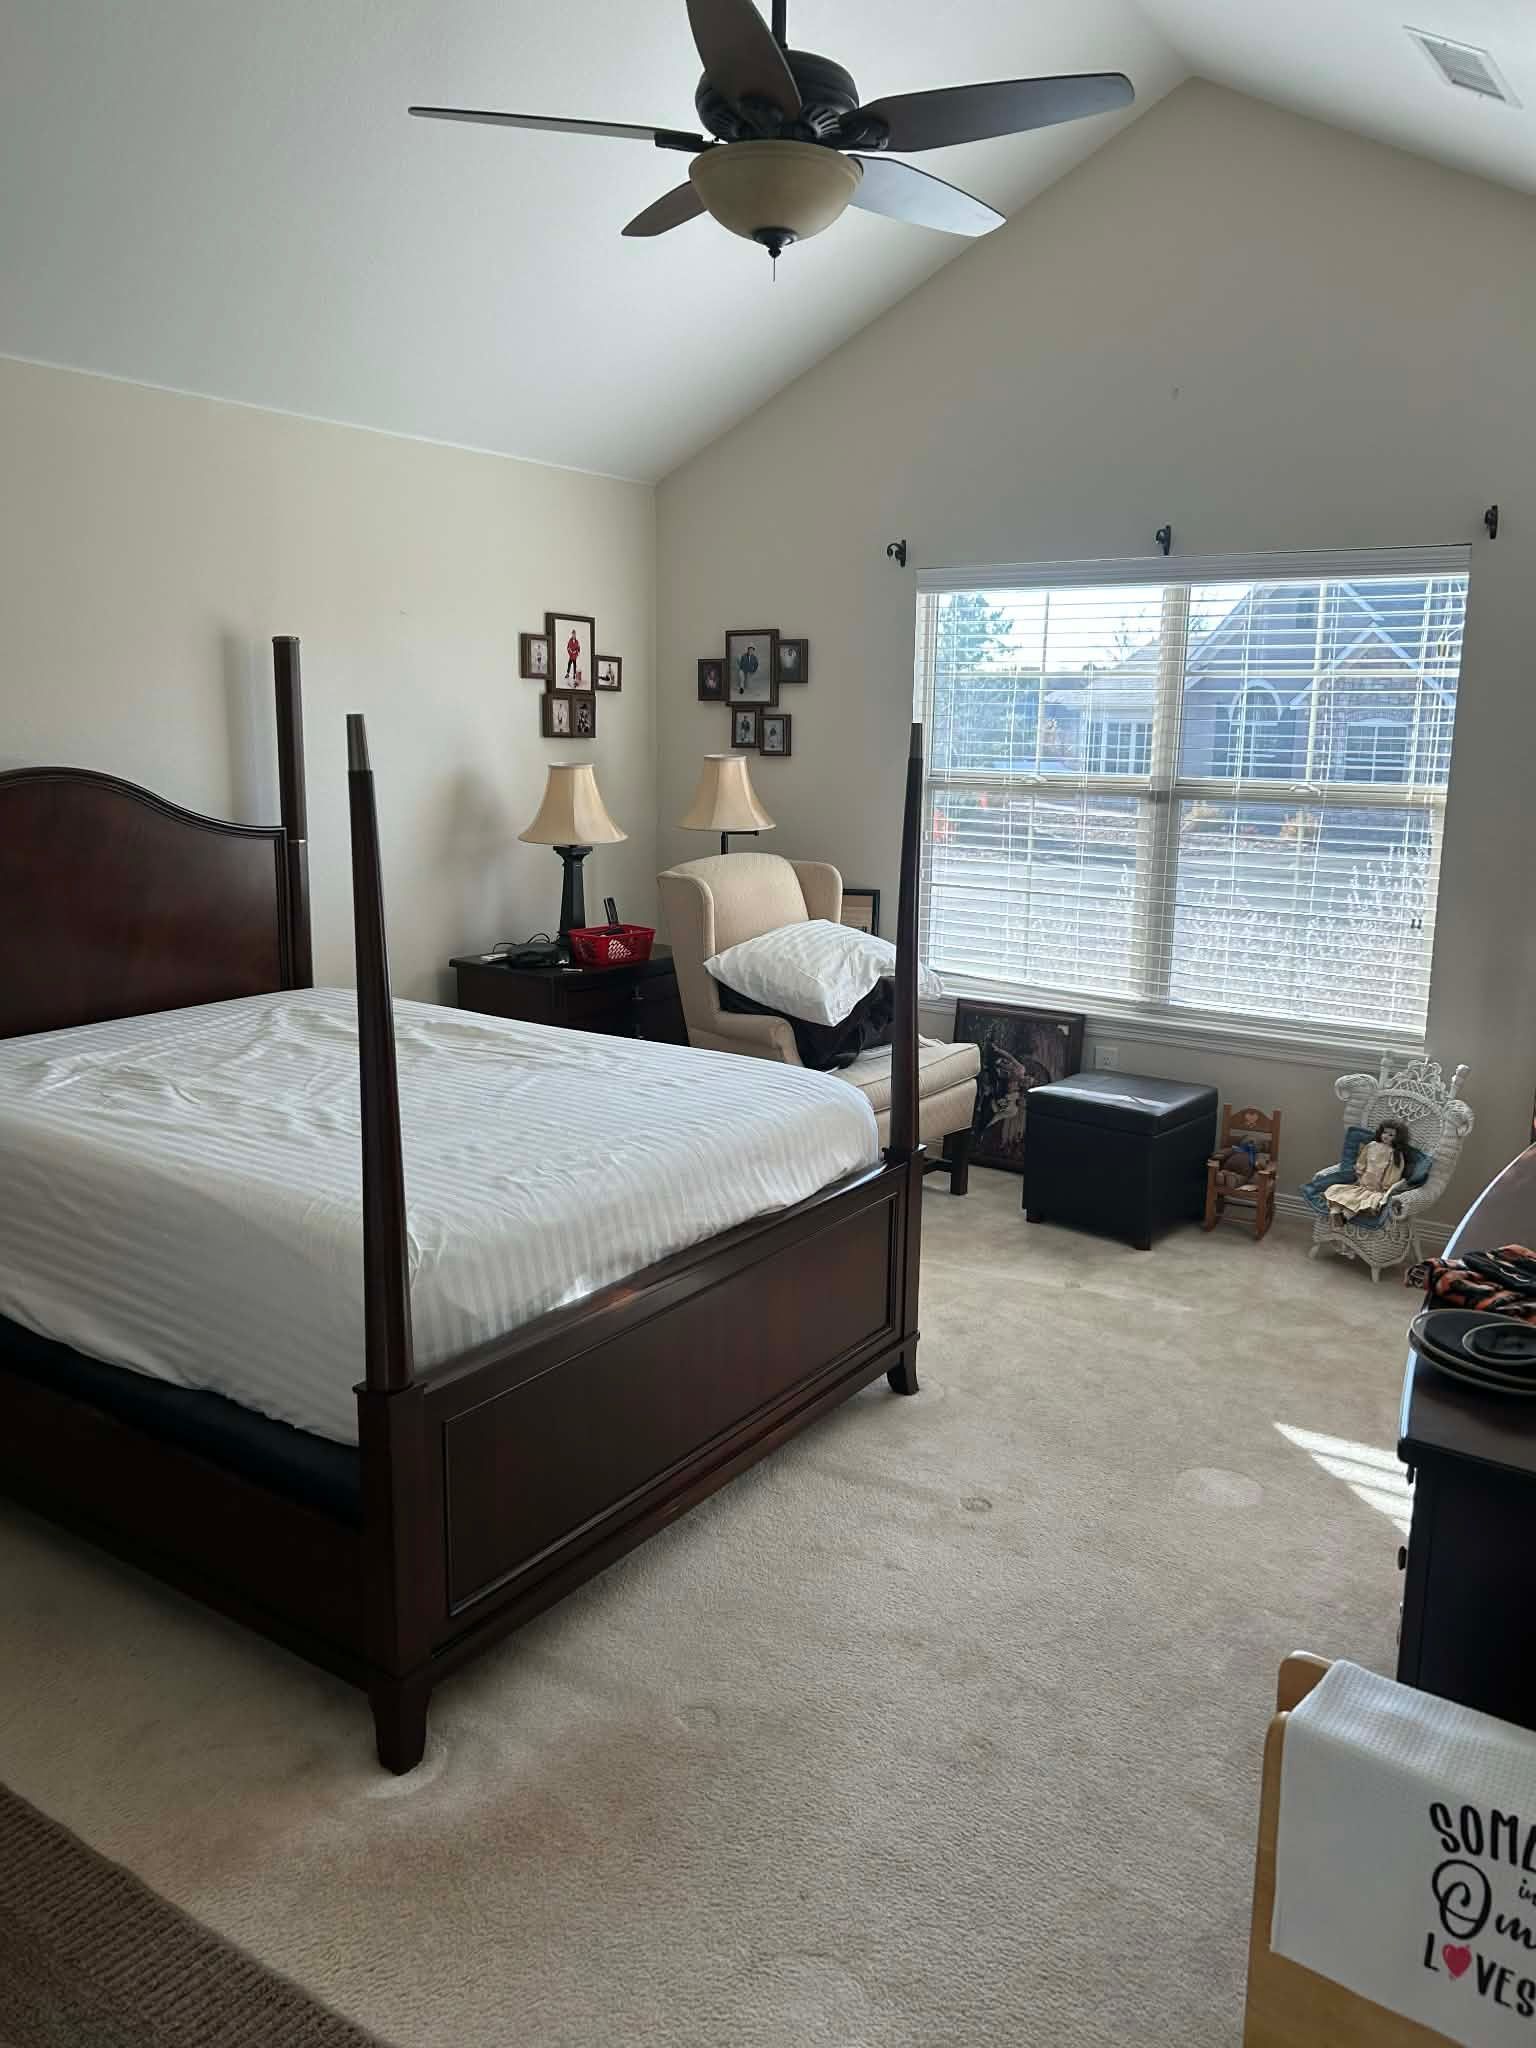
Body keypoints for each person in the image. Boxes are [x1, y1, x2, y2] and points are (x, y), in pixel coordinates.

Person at [1325, 1119, 1411, 1219]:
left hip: (1376, 1189)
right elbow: (1362, 1161)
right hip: (1362, 1184)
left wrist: (1386, 1185)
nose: (1386, 1136)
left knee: (1363, 1202)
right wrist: (1359, 1172)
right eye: (1385, 1132)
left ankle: (1344, 1217)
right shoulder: (1371, 1145)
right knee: (1341, 1193)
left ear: (1397, 1138)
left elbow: (1394, 1172)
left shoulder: (1394, 1153)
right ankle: (1335, 1213)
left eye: (1391, 1135)